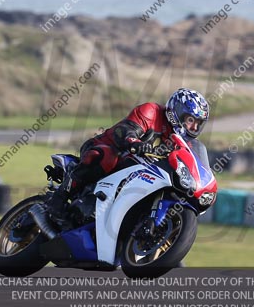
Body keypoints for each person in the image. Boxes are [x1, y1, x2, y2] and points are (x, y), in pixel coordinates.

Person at [45, 88, 210, 223]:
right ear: (178, 111)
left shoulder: (183, 144)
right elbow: (123, 131)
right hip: (108, 149)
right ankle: (59, 198)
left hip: (141, 175)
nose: (193, 127)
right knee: (108, 156)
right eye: (190, 120)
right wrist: (134, 142)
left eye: (197, 124)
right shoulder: (152, 111)